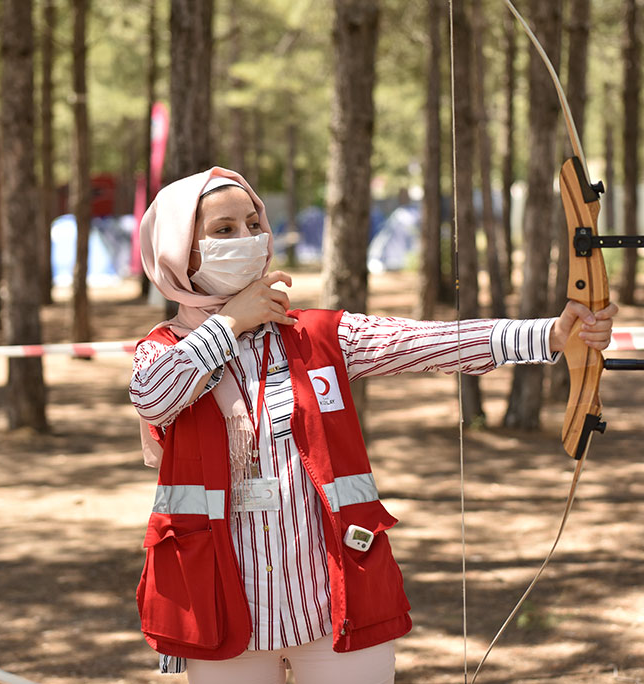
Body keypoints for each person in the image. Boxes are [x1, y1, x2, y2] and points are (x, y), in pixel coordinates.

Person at [129, 167, 617, 684]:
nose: (249, 238)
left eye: (254, 224)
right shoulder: (162, 351)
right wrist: (230, 323)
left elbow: (428, 342)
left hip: (334, 602)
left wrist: (550, 334)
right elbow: (152, 397)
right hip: (222, 608)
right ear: (180, 253)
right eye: (224, 230)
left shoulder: (316, 333)